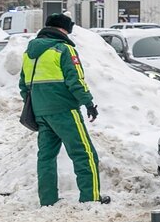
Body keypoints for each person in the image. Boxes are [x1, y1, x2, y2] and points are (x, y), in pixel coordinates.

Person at [19, 13, 108, 206]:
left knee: (46, 157)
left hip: (41, 112)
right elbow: (75, 80)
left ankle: (48, 200)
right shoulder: (64, 49)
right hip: (65, 110)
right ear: (62, 30)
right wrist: (88, 103)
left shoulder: (29, 53)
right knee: (84, 153)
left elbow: (23, 86)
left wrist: (39, 103)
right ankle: (91, 198)